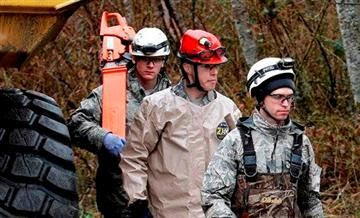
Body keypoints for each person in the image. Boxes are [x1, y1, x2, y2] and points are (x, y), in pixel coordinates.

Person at [120, 29, 242, 218]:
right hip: (169, 212)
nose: (214, 73)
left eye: (216, 67)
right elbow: (134, 157)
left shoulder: (227, 109)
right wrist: (137, 202)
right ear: (187, 67)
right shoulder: (157, 107)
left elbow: (243, 164)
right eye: (207, 67)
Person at [68, 27, 171, 217]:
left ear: (163, 61)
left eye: (155, 60)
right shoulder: (111, 91)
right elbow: (76, 123)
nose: (150, 65)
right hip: (120, 198)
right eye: (144, 59)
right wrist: (104, 138)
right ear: (134, 58)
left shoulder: (176, 99)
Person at [201, 57, 324, 218]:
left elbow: (310, 201)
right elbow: (213, 197)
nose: (286, 104)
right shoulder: (236, 141)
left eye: (289, 97)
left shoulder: (301, 142)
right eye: (278, 97)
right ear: (260, 98)